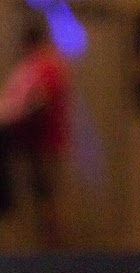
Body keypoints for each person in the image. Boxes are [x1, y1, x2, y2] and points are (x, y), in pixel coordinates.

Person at [0, 21, 71, 248]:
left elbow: (40, 100)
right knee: (38, 195)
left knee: (47, 196)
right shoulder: (33, 67)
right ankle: (40, 245)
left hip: (45, 142)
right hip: (30, 142)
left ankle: (51, 246)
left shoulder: (46, 66)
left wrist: (13, 116)